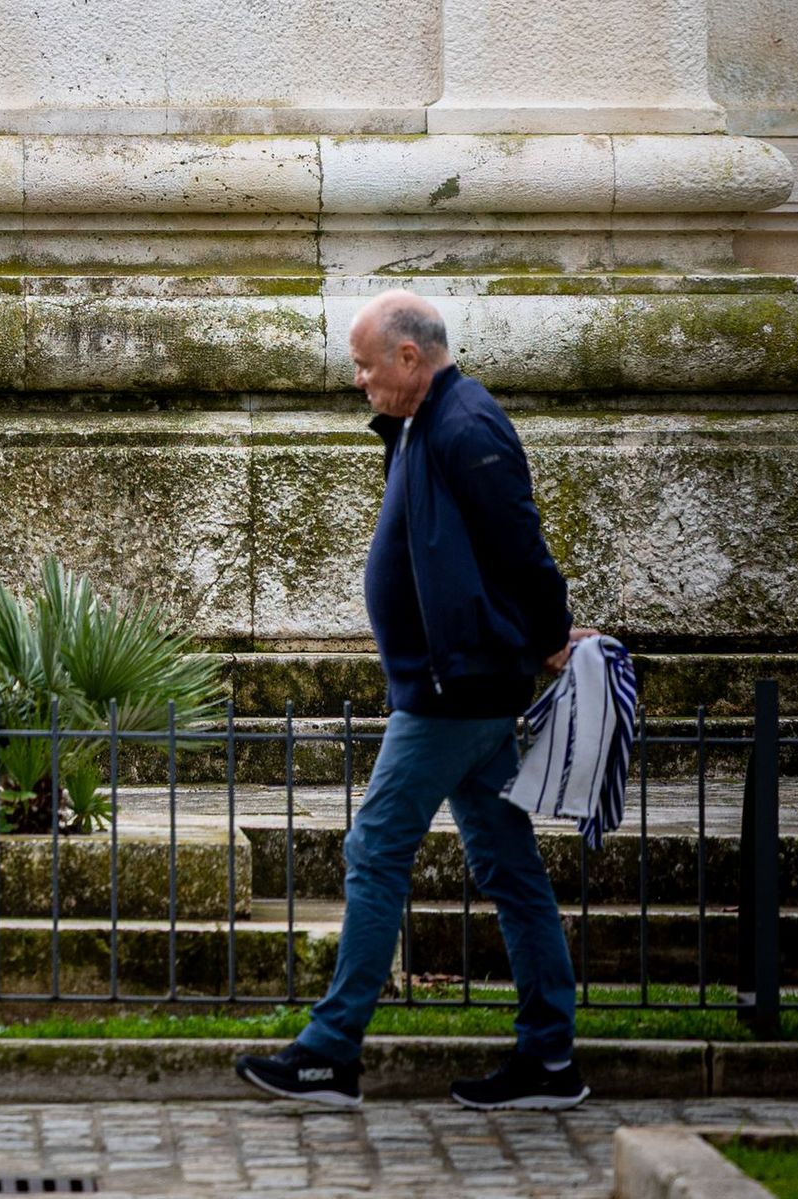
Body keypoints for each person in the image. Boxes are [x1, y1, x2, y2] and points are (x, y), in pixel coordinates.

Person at [237, 289, 592, 1114]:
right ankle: (549, 1058)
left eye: (366, 365)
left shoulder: (467, 425)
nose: (359, 380)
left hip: (453, 692)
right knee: (508, 867)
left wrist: (550, 633)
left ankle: (330, 1052)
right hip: (457, 683)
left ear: (408, 356)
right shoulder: (424, 422)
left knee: (374, 848)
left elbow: (522, 547)